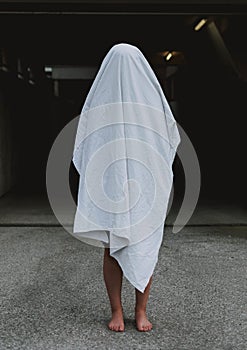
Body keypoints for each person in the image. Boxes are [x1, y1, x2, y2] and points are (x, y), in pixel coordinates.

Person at [72, 42, 181, 332]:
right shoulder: (100, 101)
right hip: (111, 183)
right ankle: (117, 312)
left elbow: (168, 136)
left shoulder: (151, 101)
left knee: (144, 246)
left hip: (145, 183)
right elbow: (88, 140)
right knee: (112, 247)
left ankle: (141, 311)